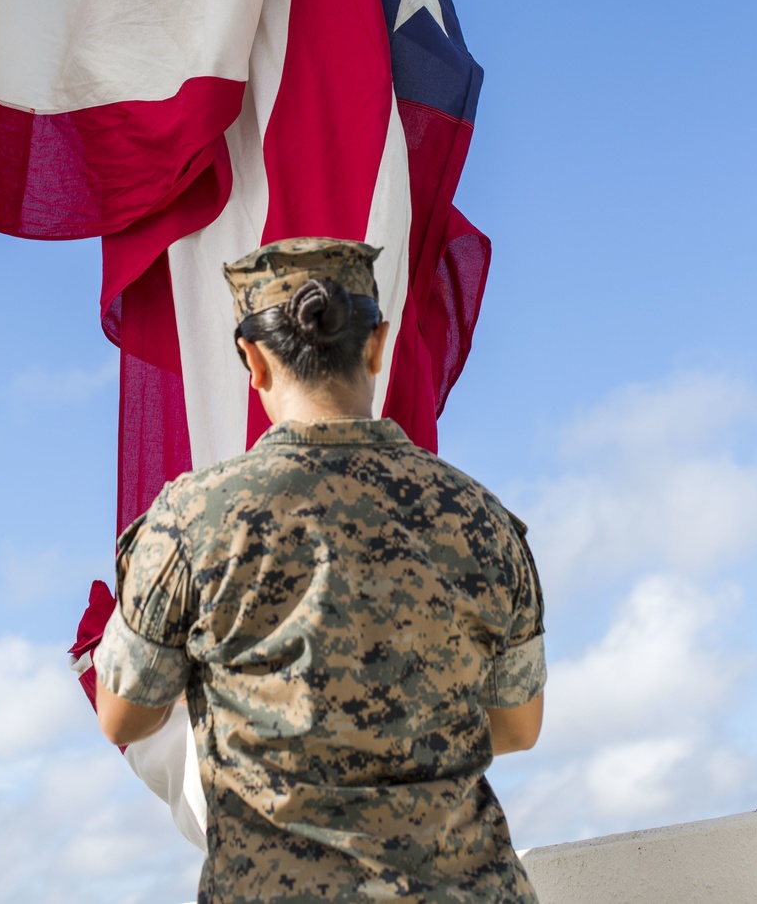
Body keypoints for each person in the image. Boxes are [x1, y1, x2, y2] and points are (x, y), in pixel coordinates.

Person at [95, 238, 546, 902]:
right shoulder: (484, 520)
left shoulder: (191, 520)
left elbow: (124, 718)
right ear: (376, 346)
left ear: (253, 358)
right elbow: (516, 727)